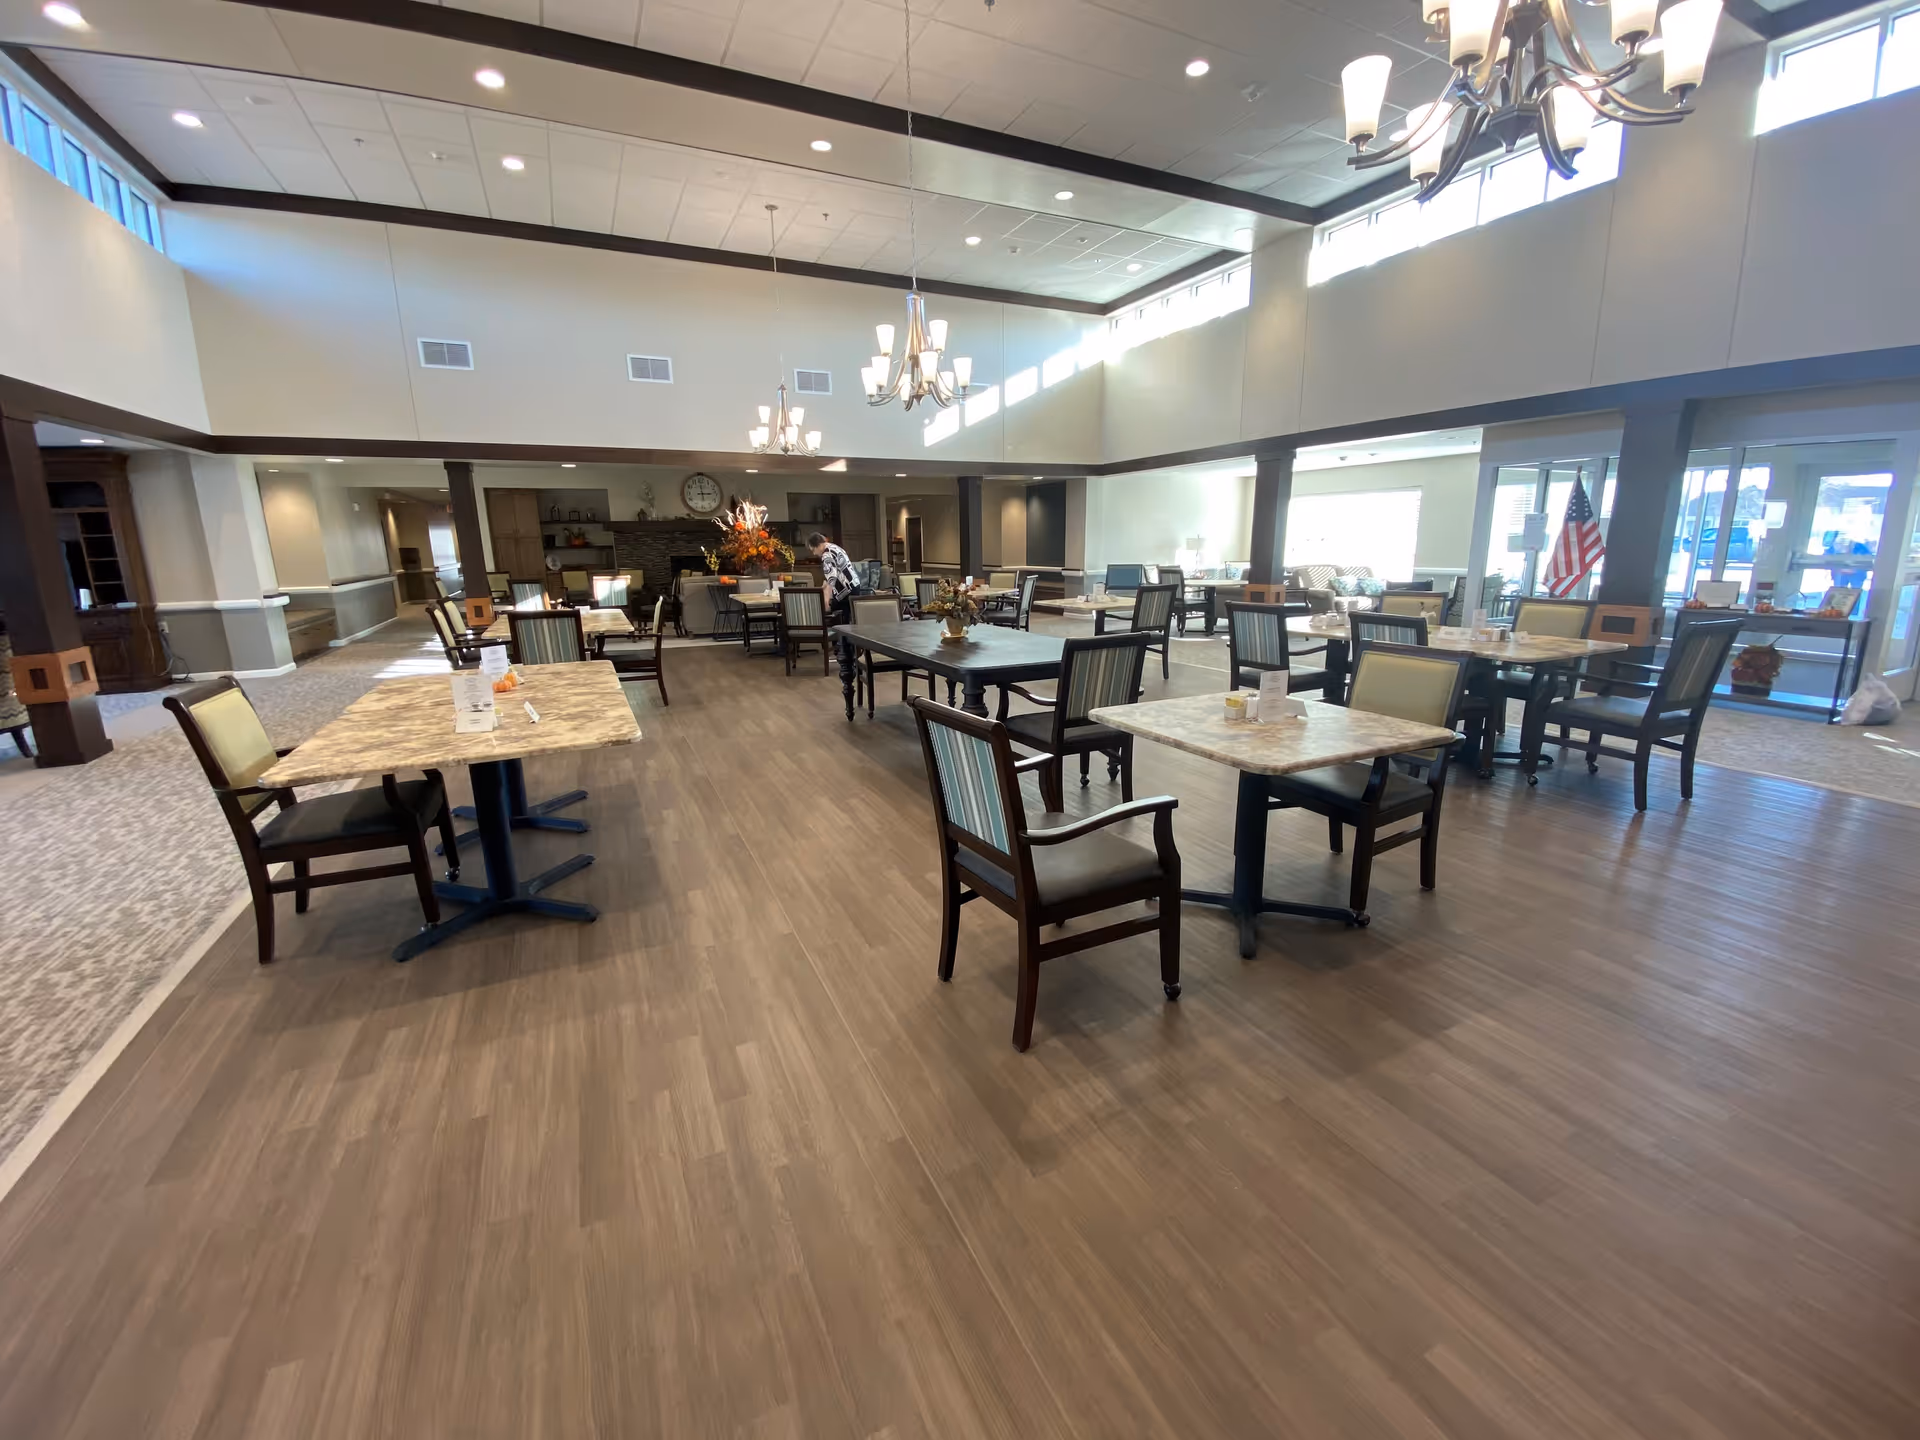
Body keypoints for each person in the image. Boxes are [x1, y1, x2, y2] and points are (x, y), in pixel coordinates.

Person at [808, 532, 859, 618]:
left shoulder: (826, 555)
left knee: (833, 616)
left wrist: (826, 601)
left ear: (818, 545)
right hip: (854, 585)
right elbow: (836, 571)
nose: (814, 554)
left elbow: (832, 579)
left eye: (813, 550)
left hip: (846, 591)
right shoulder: (834, 547)